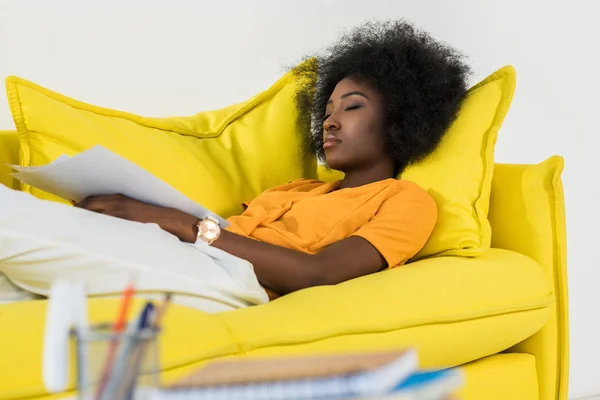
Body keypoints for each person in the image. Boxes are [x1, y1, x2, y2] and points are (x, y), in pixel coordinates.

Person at [0, 20, 470, 311]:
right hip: (193, 255)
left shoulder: (406, 200)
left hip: (235, 284)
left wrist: (181, 223)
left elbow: (319, 274)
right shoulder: (298, 189)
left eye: (351, 107)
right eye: (325, 111)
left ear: (401, 120)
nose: (329, 122)